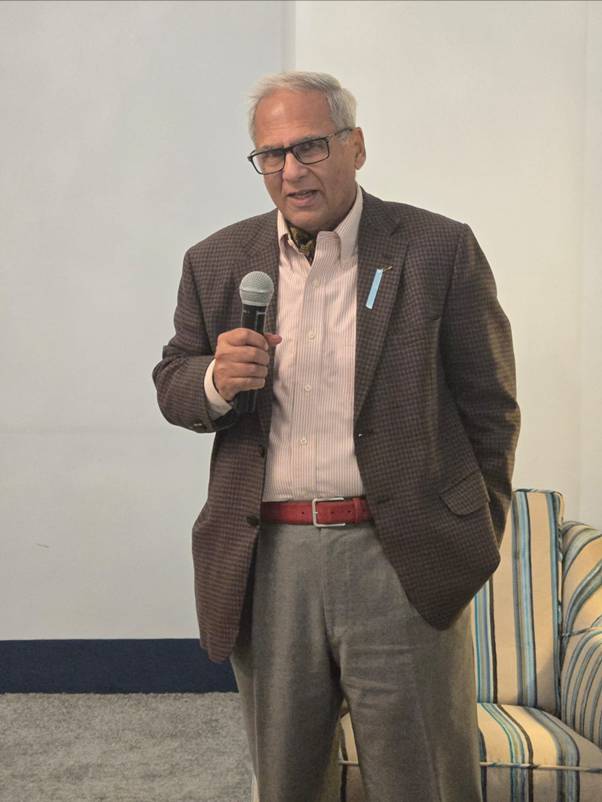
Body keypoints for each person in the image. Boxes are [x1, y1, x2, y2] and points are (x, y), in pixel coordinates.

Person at [152, 71, 520, 802]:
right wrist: (216, 380)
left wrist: (472, 532)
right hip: (269, 560)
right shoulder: (217, 260)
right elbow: (174, 380)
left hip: (401, 554)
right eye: (271, 154)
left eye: (310, 147)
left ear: (355, 147)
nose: (291, 170)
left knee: (424, 781)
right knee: (287, 782)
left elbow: (491, 407)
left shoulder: (437, 248)